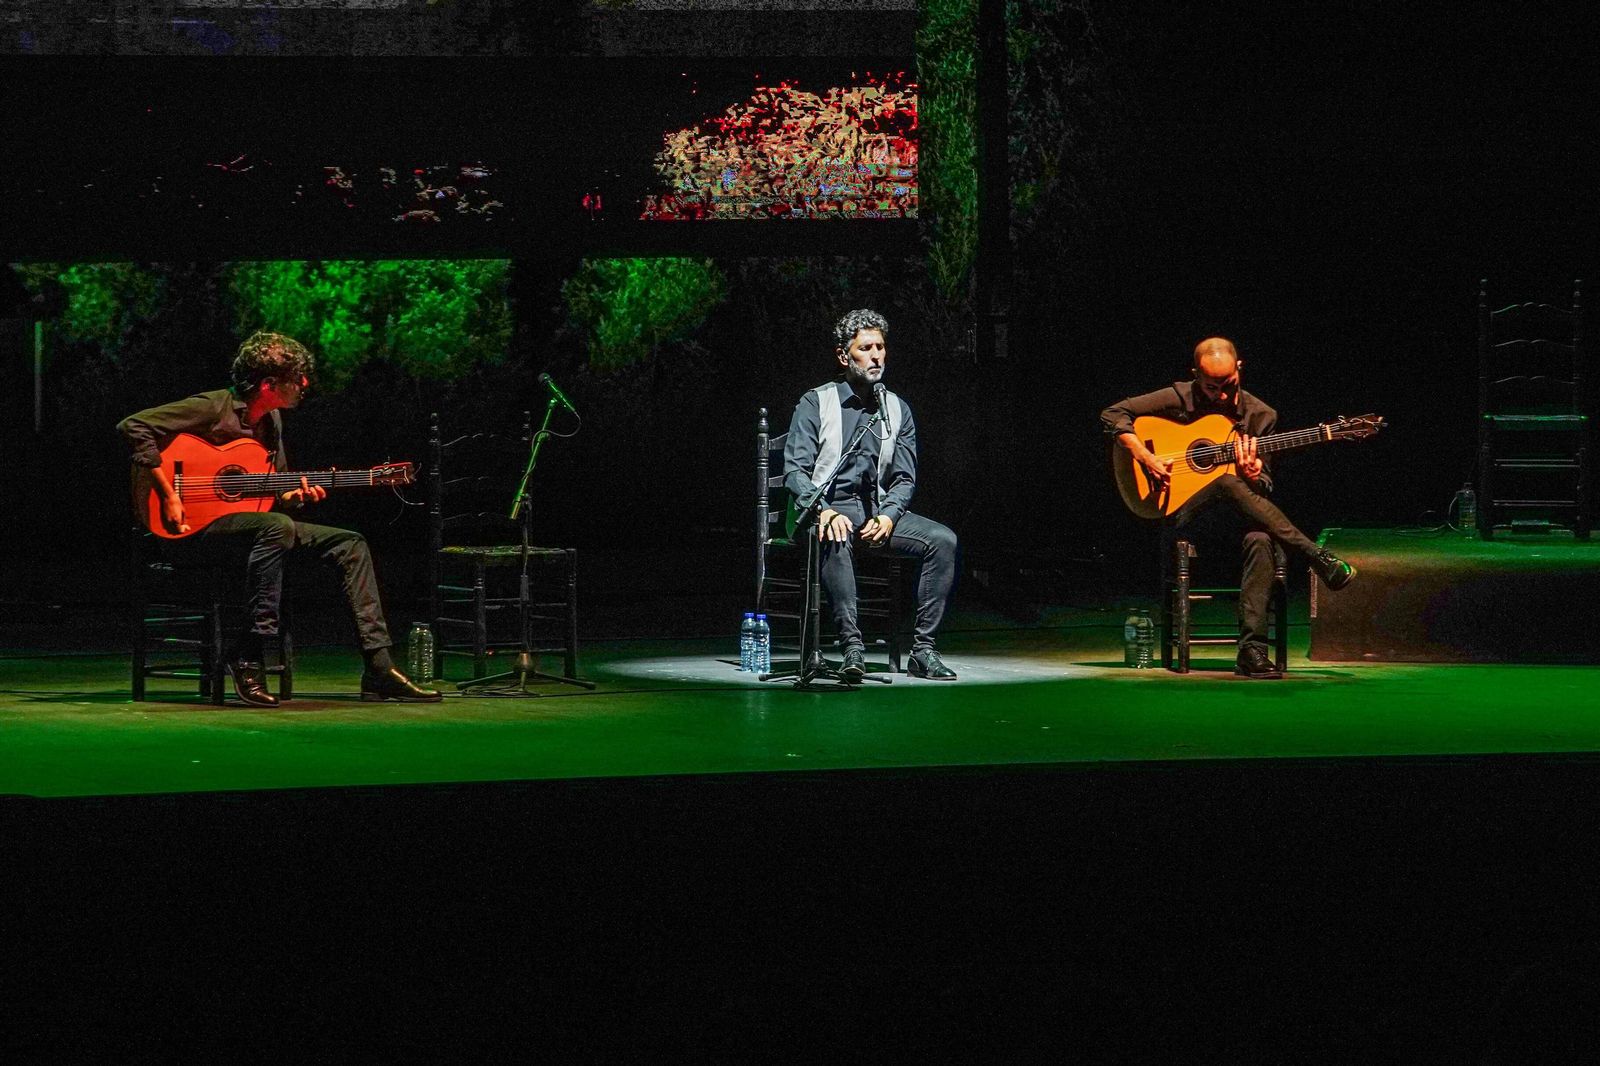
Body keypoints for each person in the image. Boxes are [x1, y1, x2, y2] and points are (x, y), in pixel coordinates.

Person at [118, 331, 441, 706]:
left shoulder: (272, 423)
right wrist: (170, 494)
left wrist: (294, 497)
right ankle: (249, 652)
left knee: (349, 542)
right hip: (188, 531)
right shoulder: (213, 407)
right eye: (297, 378)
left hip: (251, 532)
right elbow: (133, 426)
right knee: (277, 528)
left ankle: (379, 667)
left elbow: (275, 494)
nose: (304, 384)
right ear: (269, 384)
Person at [1100, 336, 1357, 679]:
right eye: (1210, 387)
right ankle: (1314, 555)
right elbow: (1113, 412)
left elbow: (1263, 486)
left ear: (1239, 368)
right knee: (1222, 480)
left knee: (1261, 538)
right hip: (1185, 514)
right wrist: (1144, 455)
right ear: (1195, 376)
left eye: (1228, 384)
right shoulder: (1181, 396)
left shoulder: (1260, 415)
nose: (1220, 394)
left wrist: (1253, 472)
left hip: (1238, 516)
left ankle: (1251, 651)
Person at [783, 308, 959, 681]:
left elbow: (905, 479)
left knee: (942, 540)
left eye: (881, 347)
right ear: (844, 356)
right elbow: (795, 472)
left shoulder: (897, 409)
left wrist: (890, 515)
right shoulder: (816, 402)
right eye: (866, 348)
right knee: (837, 529)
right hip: (822, 514)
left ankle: (923, 651)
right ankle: (852, 647)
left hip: (875, 513)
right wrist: (824, 511)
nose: (877, 355)